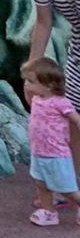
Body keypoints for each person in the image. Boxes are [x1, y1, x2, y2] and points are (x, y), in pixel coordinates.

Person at [22, 57, 80, 225]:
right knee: (41, 184)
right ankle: (49, 212)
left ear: (48, 85)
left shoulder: (61, 103)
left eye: (31, 81)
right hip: (38, 152)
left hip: (56, 154)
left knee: (67, 189)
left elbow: (75, 118)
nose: (26, 84)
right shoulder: (37, 100)